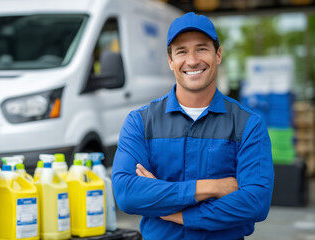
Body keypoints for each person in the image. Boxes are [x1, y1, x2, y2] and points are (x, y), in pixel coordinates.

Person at [111, 12, 274, 240]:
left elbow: (256, 202)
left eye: (202, 49)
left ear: (218, 55)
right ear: (170, 61)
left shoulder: (248, 124)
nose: (192, 60)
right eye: (181, 52)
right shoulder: (140, 122)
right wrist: (212, 187)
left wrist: (180, 215)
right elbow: (126, 194)